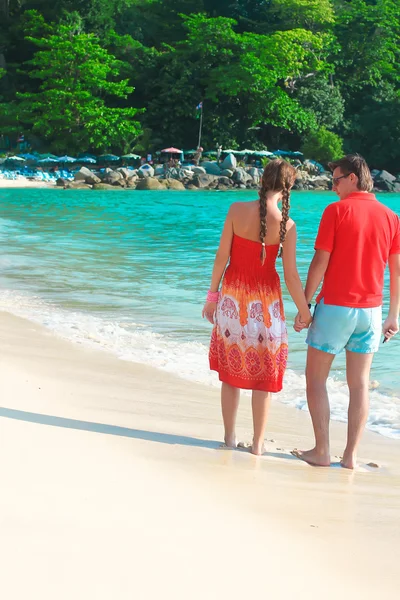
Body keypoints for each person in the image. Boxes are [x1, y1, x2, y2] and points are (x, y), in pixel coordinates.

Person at [293, 154, 400, 469]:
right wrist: (394, 315)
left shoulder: (336, 211)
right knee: (360, 384)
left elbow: (320, 261)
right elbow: (396, 271)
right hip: (371, 312)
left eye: (336, 180)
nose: (332, 187)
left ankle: (322, 451)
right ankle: (350, 457)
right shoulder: (391, 217)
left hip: (336, 308)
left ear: (353, 178)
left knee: (315, 379)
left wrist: (305, 305)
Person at [202, 160, 312, 455]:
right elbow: (291, 276)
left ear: (262, 179)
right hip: (265, 307)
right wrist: (305, 311)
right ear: (288, 188)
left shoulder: (236, 210)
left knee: (230, 373)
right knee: (263, 376)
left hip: (232, 302)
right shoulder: (288, 225)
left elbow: (221, 256)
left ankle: (228, 438)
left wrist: (212, 297)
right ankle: (259, 444)